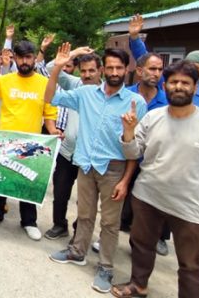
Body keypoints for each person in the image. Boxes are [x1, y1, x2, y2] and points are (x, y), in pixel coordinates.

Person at [111, 60, 199, 298]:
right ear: (165, 86)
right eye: (173, 82)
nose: (179, 87)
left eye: (185, 83)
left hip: (191, 207)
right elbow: (133, 152)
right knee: (141, 246)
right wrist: (128, 131)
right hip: (148, 197)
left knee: (190, 263)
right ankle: (138, 285)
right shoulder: (153, 117)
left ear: (195, 88)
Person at [46, 43, 147, 294]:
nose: (114, 71)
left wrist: (125, 180)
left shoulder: (135, 103)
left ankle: (106, 267)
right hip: (85, 165)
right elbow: (49, 98)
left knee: (110, 224)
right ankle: (77, 251)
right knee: (85, 215)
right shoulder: (86, 94)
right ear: (103, 69)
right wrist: (57, 69)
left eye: (119, 67)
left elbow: (136, 149)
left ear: (127, 70)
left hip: (114, 169)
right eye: (110, 67)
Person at [0, 40, 60, 241]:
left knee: (28, 182)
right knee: (1, 179)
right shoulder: (5, 80)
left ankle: (29, 221)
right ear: (15, 58)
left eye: (28, 57)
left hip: (31, 143)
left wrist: (54, 131)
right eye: (20, 57)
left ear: (33, 58)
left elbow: (49, 112)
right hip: (6, 140)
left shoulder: (43, 83)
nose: (24, 61)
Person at [42, 50, 103, 240]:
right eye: (83, 71)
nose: (87, 75)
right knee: (60, 192)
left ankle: (80, 231)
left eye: (91, 71)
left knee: (86, 200)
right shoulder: (75, 84)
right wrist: (73, 53)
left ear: (100, 71)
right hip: (68, 150)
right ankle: (59, 225)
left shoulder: (107, 92)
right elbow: (51, 68)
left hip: (90, 155)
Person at [120, 51, 172, 255]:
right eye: (152, 68)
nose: (157, 73)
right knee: (124, 200)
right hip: (127, 157)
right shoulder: (125, 95)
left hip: (155, 163)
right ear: (139, 71)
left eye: (160, 69)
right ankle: (121, 230)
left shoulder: (168, 101)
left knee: (154, 207)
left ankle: (157, 238)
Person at [128, 14, 199, 116]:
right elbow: (145, 59)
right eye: (191, 66)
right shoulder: (170, 85)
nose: (193, 70)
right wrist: (134, 38)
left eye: (198, 68)